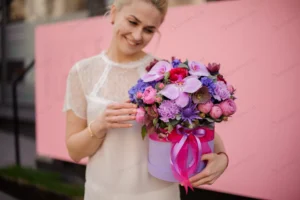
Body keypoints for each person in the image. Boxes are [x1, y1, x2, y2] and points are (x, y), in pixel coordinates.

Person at [63, 0, 229, 199]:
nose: (137, 36)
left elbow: (200, 130)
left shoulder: (166, 74)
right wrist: (100, 125)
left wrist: (222, 159)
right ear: (114, 13)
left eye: (149, 30)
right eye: (133, 22)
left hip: (158, 194)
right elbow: (75, 152)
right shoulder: (83, 72)